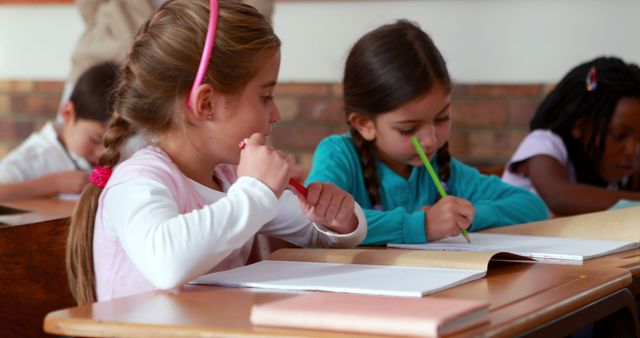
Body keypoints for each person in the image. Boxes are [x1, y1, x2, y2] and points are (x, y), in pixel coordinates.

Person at [66, 0, 366, 306]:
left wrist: (338, 221)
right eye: (265, 97)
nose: (275, 113)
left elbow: (315, 232)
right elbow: (166, 264)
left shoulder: (230, 178)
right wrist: (256, 193)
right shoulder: (137, 181)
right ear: (206, 104)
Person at [305, 20, 548, 246]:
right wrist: (422, 226)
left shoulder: (444, 171)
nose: (431, 140)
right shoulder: (338, 155)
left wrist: (468, 215)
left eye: (442, 118)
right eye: (408, 129)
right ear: (364, 124)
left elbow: (533, 207)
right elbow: (315, 225)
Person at [502, 57, 640, 216]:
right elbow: (559, 198)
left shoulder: (620, 170)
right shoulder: (544, 144)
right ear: (580, 127)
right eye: (620, 135)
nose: (633, 150)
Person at [0, 62, 118, 201]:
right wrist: (53, 184)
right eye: (95, 140)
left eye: (113, 143)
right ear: (67, 112)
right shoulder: (36, 156)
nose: (102, 152)